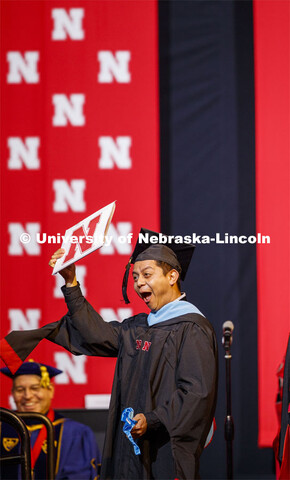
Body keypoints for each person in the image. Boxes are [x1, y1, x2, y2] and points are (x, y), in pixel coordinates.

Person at [0, 228, 218, 480]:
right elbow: (95, 335)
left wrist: (153, 420)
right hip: (129, 447)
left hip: (163, 451)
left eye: (147, 274)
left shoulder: (192, 328)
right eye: (135, 277)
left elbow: (196, 394)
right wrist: (71, 283)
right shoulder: (139, 327)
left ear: (172, 276)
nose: (138, 283)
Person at [0, 360, 101, 479]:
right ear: (12, 393)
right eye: (20, 390)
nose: (27, 396)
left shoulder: (74, 433)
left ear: (50, 391)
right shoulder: (2, 427)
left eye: (35, 388)